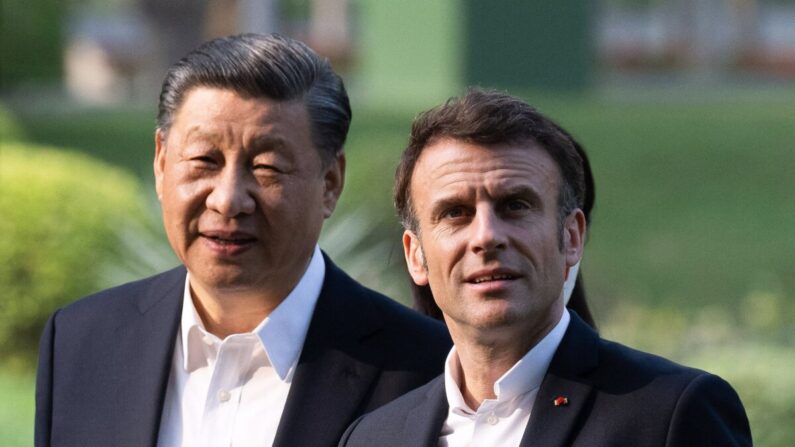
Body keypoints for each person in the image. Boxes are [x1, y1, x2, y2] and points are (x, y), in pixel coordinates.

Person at [35, 34, 451, 447]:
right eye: (204, 161)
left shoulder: (426, 367)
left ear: (330, 182)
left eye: (267, 166)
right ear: (162, 163)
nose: (228, 200)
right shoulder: (80, 342)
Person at [340, 88, 752, 446]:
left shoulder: (670, 414)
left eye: (515, 206)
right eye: (455, 213)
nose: (486, 236)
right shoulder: (372, 438)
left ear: (571, 237)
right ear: (416, 255)